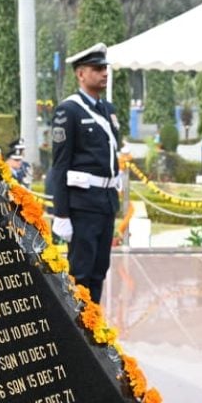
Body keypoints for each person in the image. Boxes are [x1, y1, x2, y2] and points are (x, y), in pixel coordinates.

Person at [49, 42, 121, 304]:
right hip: (82, 205)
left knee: (99, 270)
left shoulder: (107, 110)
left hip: (105, 202)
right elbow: (59, 165)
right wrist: (62, 214)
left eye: (105, 68)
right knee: (81, 273)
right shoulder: (69, 110)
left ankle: (95, 331)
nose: (104, 73)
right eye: (97, 68)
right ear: (81, 74)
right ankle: (80, 334)